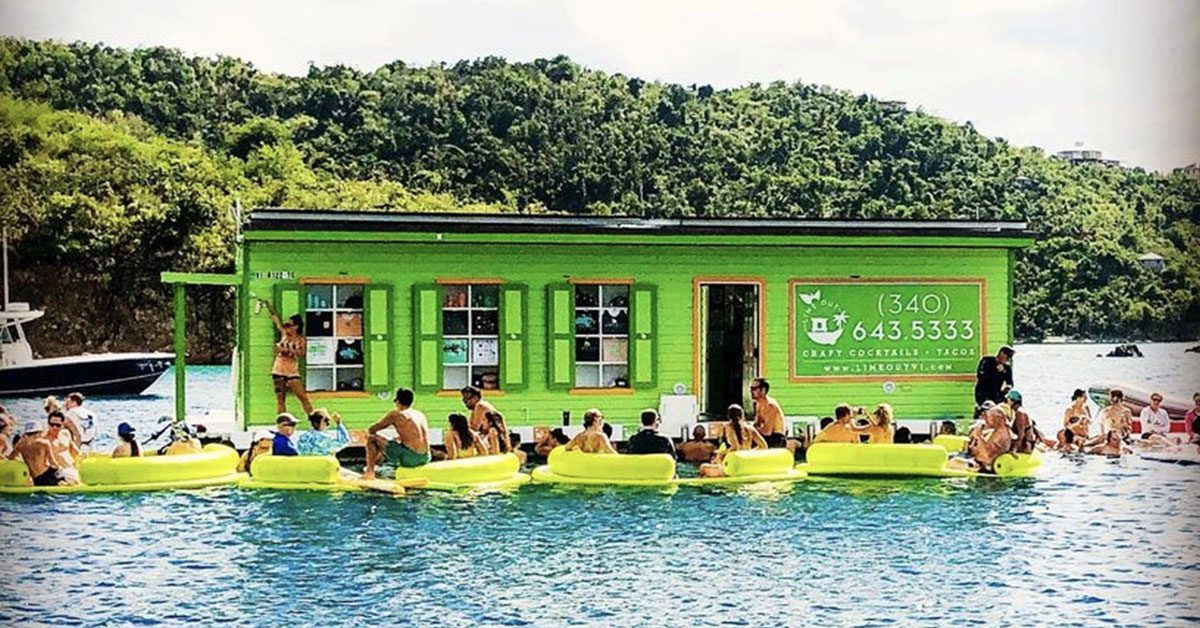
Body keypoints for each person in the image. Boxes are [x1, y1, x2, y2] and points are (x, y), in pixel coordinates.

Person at [257, 297, 314, 416]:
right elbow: (275, 318)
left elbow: (302, 353)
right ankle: (282, 424)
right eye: (286, 325)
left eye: (289, 325)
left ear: (296, 326)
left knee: (303, 397)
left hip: (292, 372)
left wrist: (286, 350)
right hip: (278, 370)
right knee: (280, 400)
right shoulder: (284, 334)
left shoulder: (301, 339)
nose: (286, 327)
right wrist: (268, 305)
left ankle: (314, 420)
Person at [363, 388, 431, 479]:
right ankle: (378, 466)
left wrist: (368, 433)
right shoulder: (420, 414)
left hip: (410, 458)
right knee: (392, 441)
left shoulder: (396, 414)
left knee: (372, 439)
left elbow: (373, 429)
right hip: (426, 457)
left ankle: (370, 472)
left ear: (398, 402)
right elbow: (414, 436)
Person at [699, 405, 767, 477]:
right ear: (742, 415)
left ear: (729, 416)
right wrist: (749, 452)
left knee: (703, 468)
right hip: (746, 463)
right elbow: (764, 446)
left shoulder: (728, 427)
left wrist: (720, 454)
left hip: (733, 465)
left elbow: (735, 447)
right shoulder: (750, 428)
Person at [8, 420, 59, 487]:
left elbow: (11, 457)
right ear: (38, 433)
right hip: (47, 476)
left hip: (34, 478)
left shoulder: (20, 445)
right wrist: (59, 469)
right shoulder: (44, 443)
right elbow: (53, 462)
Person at [967, 406, 1012, 472]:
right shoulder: (999, 431)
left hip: (987, 468)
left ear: (998, 418)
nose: (985, 419)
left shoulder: (1002, 434)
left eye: (988, 417)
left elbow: (987, 457)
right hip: (982, 464)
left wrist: (978, 435)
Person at [44, 410, 81, 485]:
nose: (54, 427)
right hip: (57, 471)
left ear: (63, 424)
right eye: (52, 424)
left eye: (58, 425)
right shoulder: (43, 438)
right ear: (48, 424)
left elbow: (73, 450)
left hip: (70, 468)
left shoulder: (65, 433)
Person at [974, 345, 1015, 410]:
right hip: (982, 392)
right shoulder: (986, 361)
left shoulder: (1007, 368)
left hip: (996, 394)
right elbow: (980, 376)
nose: (1007, 360)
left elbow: (1010, 382)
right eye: (1007, 357)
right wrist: (995, 370)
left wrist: (1007, 388)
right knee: (985, 409)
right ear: (1002, 353)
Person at [750, 378, 787, 448]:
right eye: (751, 388)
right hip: (767, 437)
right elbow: (756, 424)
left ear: (763, 390)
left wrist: (751, 430)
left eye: (754, 389)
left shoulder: (770, 406)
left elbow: (767, 431)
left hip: (776, 439)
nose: (751, 391)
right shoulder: (759, 404)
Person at [1006, 390, 1043, 455]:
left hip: (1026, 446)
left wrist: (1014, 449)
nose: (1006, 402)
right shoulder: (1019, 411)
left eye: (1007, 400)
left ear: (1012, 401)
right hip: (1026, 443)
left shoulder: (1020, 413)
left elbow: (1021, 434)